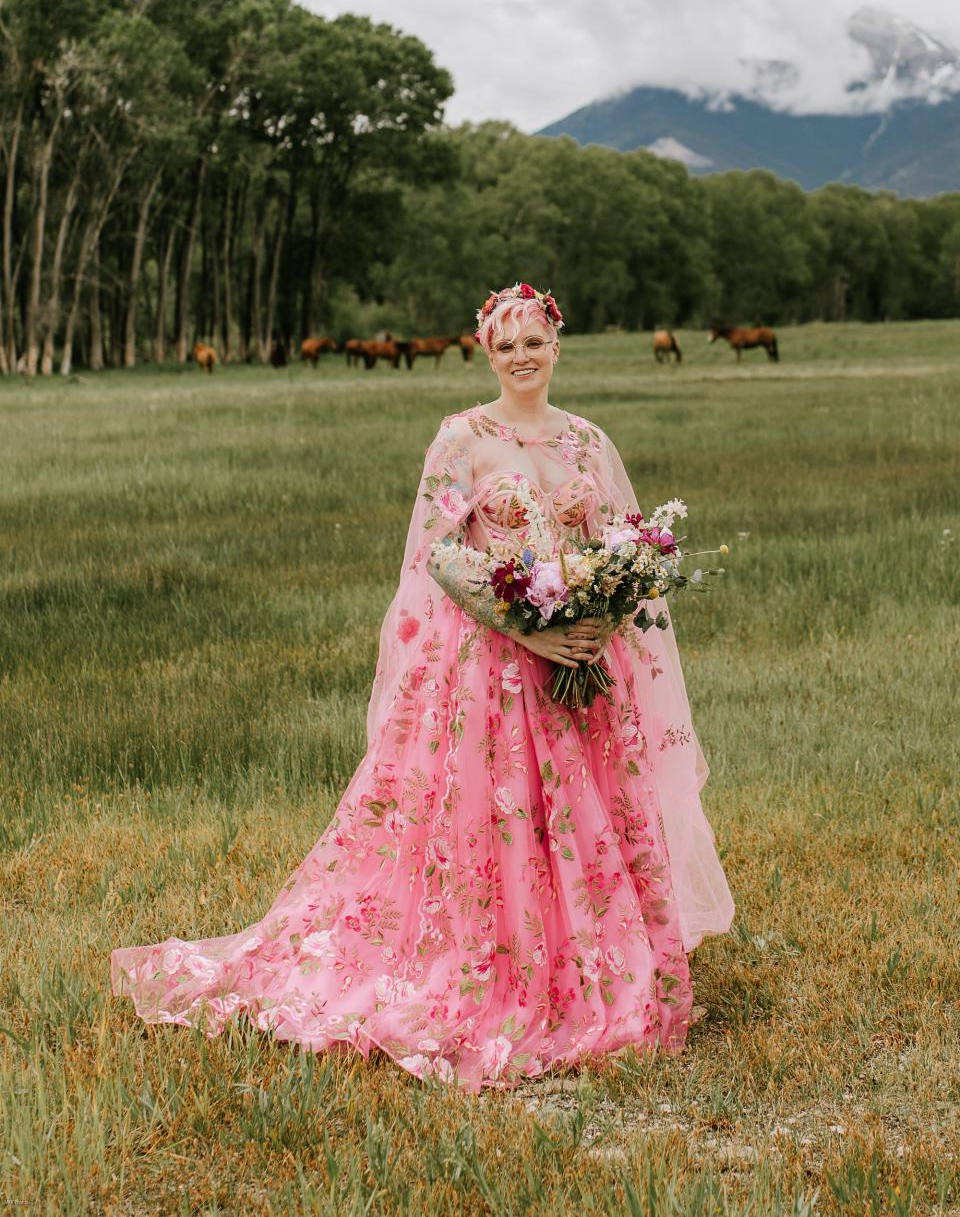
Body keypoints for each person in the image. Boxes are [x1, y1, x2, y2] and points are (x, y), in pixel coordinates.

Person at [111, 284, 734, 1090]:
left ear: (557, 344)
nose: (522, 356)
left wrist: (595, 625)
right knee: (497, 822)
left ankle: (595, 968)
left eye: (535, 340)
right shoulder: (462, 439)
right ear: (487, 352)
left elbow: (619, 548)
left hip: (580, 665)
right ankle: (493, 968)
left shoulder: (587, 443)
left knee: (580, 820)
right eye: (506, 344)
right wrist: (529, 627)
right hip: (496, 669)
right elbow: (442, 551)